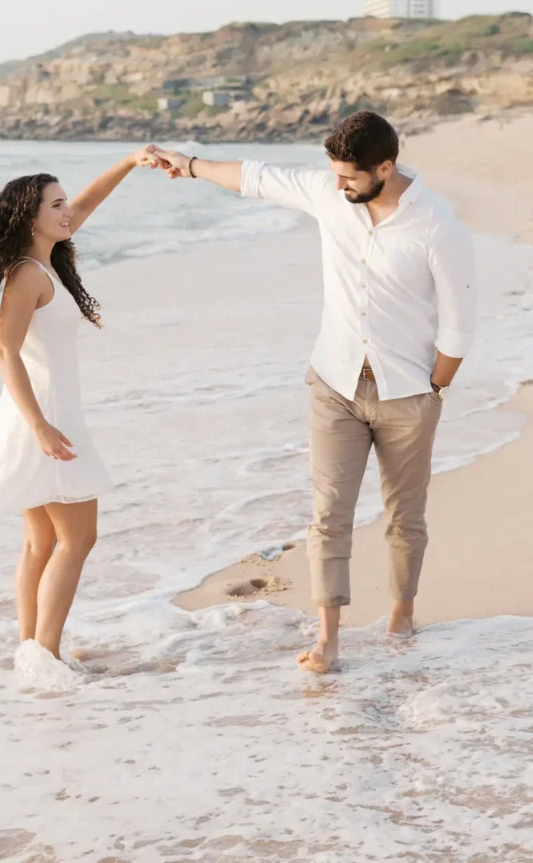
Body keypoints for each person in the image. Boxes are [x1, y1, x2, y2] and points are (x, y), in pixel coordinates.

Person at [151, 111, 476, 673]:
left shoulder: (437, 226)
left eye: (350, 176)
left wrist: (435, 390)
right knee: (329, 516)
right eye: (334, 174)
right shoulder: (330, 194)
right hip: (334, 384)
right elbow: (254, 176)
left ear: (386, 166)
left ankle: (402, 612)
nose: (339, 185)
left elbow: (459, 323)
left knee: (406, 516)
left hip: (406, 394)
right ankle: (329, 638)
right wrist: (190, 164)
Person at [0, 147, 158, 677]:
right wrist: (41, 427)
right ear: (31, 217)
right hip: (44, 418)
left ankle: (32, 650)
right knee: (77, 539)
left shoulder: (44, 261)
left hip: (43, 417)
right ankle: (46, 656)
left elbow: (89, 203)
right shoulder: (28, 274)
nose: (67, 210)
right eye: (56, 204)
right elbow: (4, 350)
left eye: (65, 202)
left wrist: (129, 162)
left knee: (42, 540)